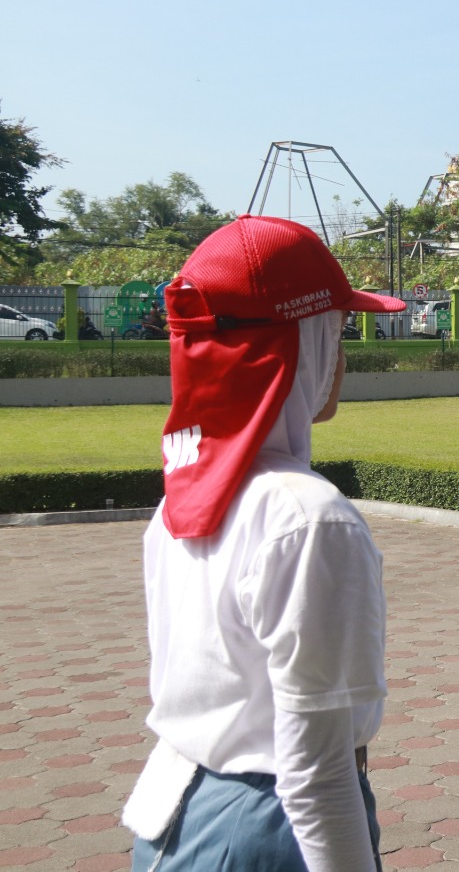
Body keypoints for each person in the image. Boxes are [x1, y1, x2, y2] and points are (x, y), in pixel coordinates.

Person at [123, 216, 402, 871]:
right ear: (301, 344)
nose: (343, 354)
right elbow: (317, 773)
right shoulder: (309, 519)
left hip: (179, 811)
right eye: (337, 330)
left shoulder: (182, 501)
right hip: (270, 829)